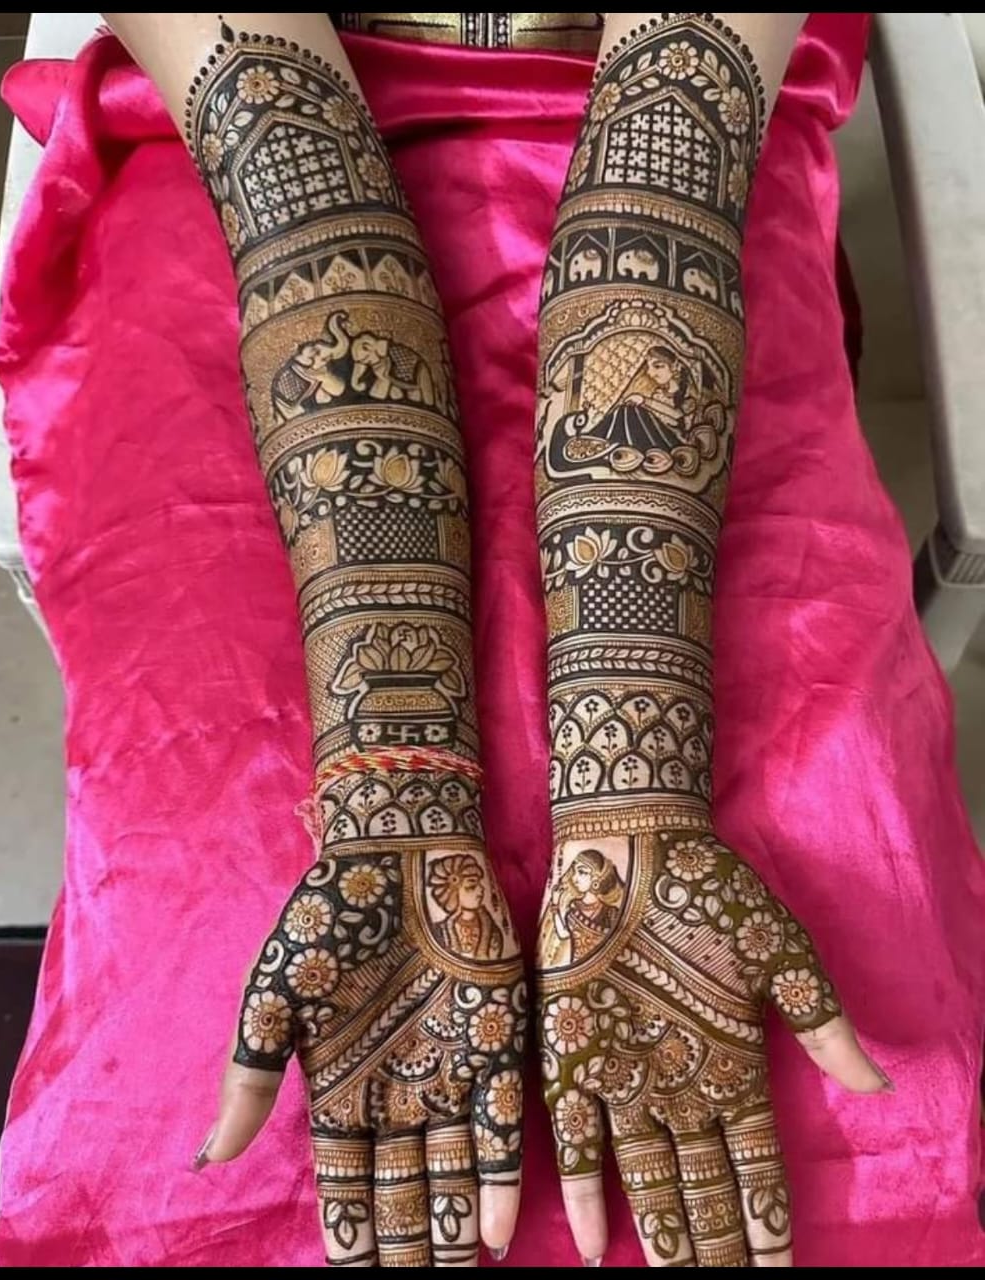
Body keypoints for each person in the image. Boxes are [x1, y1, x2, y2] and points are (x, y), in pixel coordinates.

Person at [102, 10, 890, 1269]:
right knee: (157, 1020)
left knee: (861, 920)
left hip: (694, 160)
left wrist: (632, 780)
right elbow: (275, 147)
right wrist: (392, 791)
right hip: (243, 155)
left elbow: (674, 130)